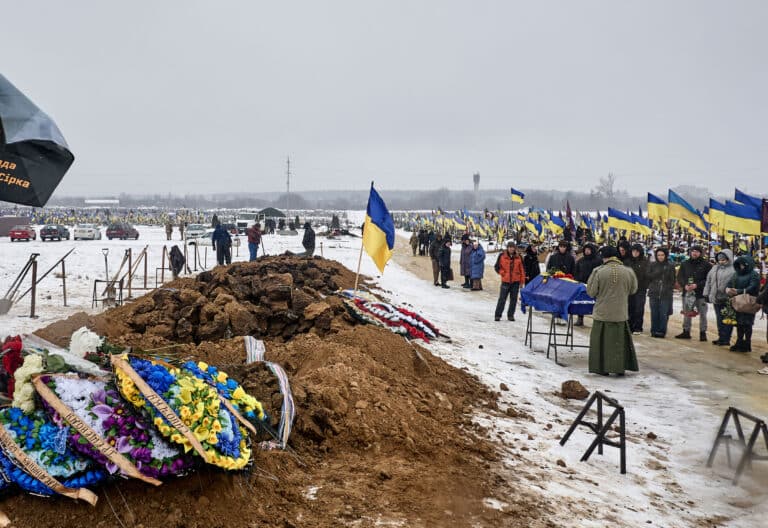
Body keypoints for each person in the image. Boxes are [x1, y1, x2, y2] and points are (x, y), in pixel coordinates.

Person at [586, 246, 639, 376]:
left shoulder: (598, 271)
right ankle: (619, 367)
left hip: (602, 313)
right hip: (620, 313)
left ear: (604, 257)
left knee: (602, 343)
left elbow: (591, 292)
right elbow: (633, 290)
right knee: (618, 343)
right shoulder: (628, 271)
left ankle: (602, 368)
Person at [675, 245, 712, 341]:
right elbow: (680, 277)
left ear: (700, 253)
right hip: (687, 293)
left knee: (703, 314)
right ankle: (686, 331)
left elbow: (708, 279)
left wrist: (697, 285)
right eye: (693, 251)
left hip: (701, 294)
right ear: (690, 252)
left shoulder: (706, 265)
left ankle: (703, 332)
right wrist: (684, 285)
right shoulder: (685, 264)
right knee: (687, 313)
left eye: (697, 251)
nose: (694, 253)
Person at [726, 255, 760, 352]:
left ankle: (747, 343)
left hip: (749, 302)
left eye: (743, 265)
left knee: (747, 324)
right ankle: (739, 341)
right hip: (738, 302)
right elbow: (729, 283)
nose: (741, 267)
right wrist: (729, 290)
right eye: (740, 265)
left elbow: (753, 286)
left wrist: (739, 291)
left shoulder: (754, 274)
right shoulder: (736, 274)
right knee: (739, 323)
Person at [703, 249, 735, 346]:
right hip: (716, 297)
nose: (721, 261)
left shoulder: (733, 270)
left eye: (724, 259)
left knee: (727, 319)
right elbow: (708, 281)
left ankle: (726, 338)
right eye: (720, 259)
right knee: (719, 319)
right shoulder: (714, 268)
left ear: (729, 259)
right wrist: (706, 293)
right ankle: (721, 337)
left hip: (727, 299)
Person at [647, 247, 676, 338]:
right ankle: (654, 330)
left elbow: (672, 279)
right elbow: (648, 276)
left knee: (663, 313)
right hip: (654, 292)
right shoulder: (652, 265)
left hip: (665, 293)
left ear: (665, 255)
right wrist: (658, 272)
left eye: (662, 255)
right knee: (654, 313)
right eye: (658, 255)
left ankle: (662, 331)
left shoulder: (670, 265)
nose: (660, 257)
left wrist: (668, 288)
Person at [493, 241, 525, 321]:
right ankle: (498, 315)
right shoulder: (502, 256)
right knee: (502, 299)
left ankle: (510, 315)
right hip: (505, 281)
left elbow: (522, 270)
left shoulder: (519, 257)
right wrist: (503, 273)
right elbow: (497, 267)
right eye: (510, 247)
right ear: (507, 248)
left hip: (515, 281)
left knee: (513, 300)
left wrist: (522, 282)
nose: (511, 249)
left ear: (515, 248)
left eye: (513, 247)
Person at [573, 243, 601, 326]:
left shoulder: (598, 261)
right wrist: (577, 279)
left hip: (594, 285)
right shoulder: (581, 261)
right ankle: (580, 318)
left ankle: (596, 320)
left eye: (589, 249)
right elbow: (576, 271)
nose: (587, 251)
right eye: (585, 249)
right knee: (581, 302)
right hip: (582, 284)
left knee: (595, 303)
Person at [625, 243, 649, 335]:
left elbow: (647, 275)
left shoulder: (645, 262)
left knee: (639, 308)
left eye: (636, 251)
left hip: (640, 288)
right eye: (633, 251)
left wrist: (645, 285)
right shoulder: (628, 262)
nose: (635, 253)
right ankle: (629, 326)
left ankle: (638, 327)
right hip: (629, 289)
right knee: (630, 307)